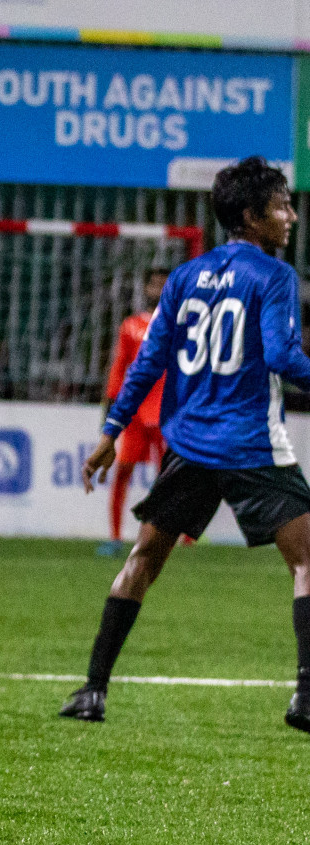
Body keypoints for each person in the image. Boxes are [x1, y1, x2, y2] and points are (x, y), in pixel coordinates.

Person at [64, 156, 310, 731]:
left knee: (144, 558)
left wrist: (110, 433)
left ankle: (92, 690)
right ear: (251, 217)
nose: (292, 215)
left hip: (190, 445)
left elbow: (148, 363)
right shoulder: (272, 277)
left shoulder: (184, 277)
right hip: (251, 444)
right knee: (306, 561)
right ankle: (306, 697)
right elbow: (281, 358)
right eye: (281, 204)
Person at [97, 267, 171, 557]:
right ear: (146, 289)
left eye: (165, 285)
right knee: (123, 471)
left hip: (168, 414)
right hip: (138, 415)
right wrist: (110, 405)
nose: (159, 290)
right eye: (154, 284)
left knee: (171, 478)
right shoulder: (131, 326)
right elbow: (119, 368)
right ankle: (115, 537)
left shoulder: (181, 325)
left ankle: (178, 537)